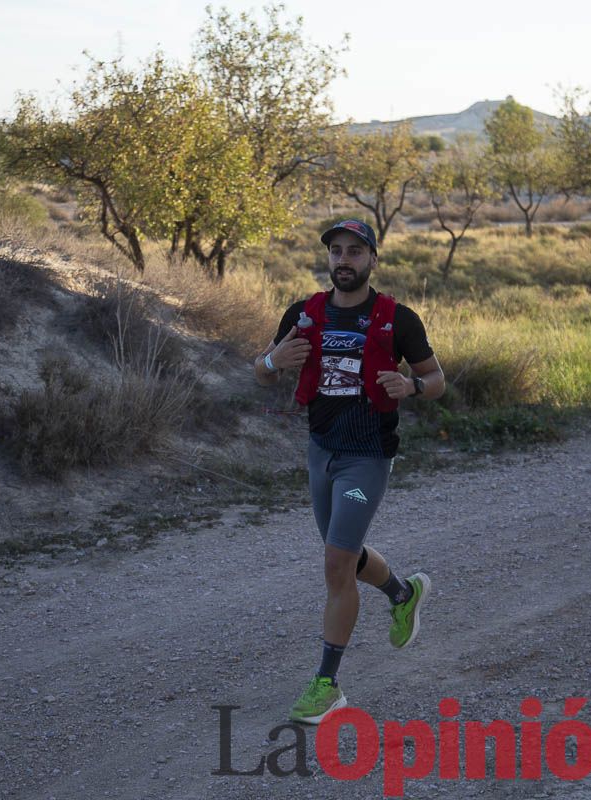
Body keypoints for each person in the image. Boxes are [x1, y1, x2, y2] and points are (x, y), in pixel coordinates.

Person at [254, 219, 446, 724]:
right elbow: (259, 369)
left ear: (372, 259)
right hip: (321, 453)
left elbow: (436, 378)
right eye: (336, 251)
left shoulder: (397, 319)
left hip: (367, 457)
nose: (344, 259)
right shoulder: (304, 314)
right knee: (343, 552)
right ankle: (403, 594)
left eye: (355, 251)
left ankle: (327, 685)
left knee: (337, 563)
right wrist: (274, 361)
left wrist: (413, 387)